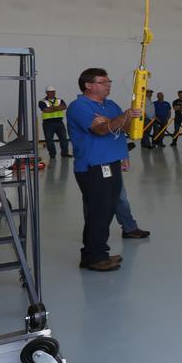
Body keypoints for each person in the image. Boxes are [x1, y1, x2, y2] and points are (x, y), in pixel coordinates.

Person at [65, 68, 141, 272]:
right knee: (98, 212)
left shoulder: (110, 105)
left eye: (109, 81)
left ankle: (97, 253)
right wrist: (117, 119)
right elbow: (99, 130)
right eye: (103, 81)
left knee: (107, 211)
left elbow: (122, 129)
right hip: (94, 167)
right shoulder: (78, 106)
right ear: (88, 85)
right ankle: (94, 257)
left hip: (112, 162)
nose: (108, 85)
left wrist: (123, 152)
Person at [38, 86, 71, 160]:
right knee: (49, 139)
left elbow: (64, 107)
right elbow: (46, 110)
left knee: (64, 139)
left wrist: (52, 108)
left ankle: (64, 153)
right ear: (46, 93)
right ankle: (52, 154)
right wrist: (57, 108)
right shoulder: (42, 101)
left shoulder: (60, 100)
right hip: (48, 123)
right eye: (50, 92)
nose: (52, 93)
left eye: (53, 91)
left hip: (59, 122)